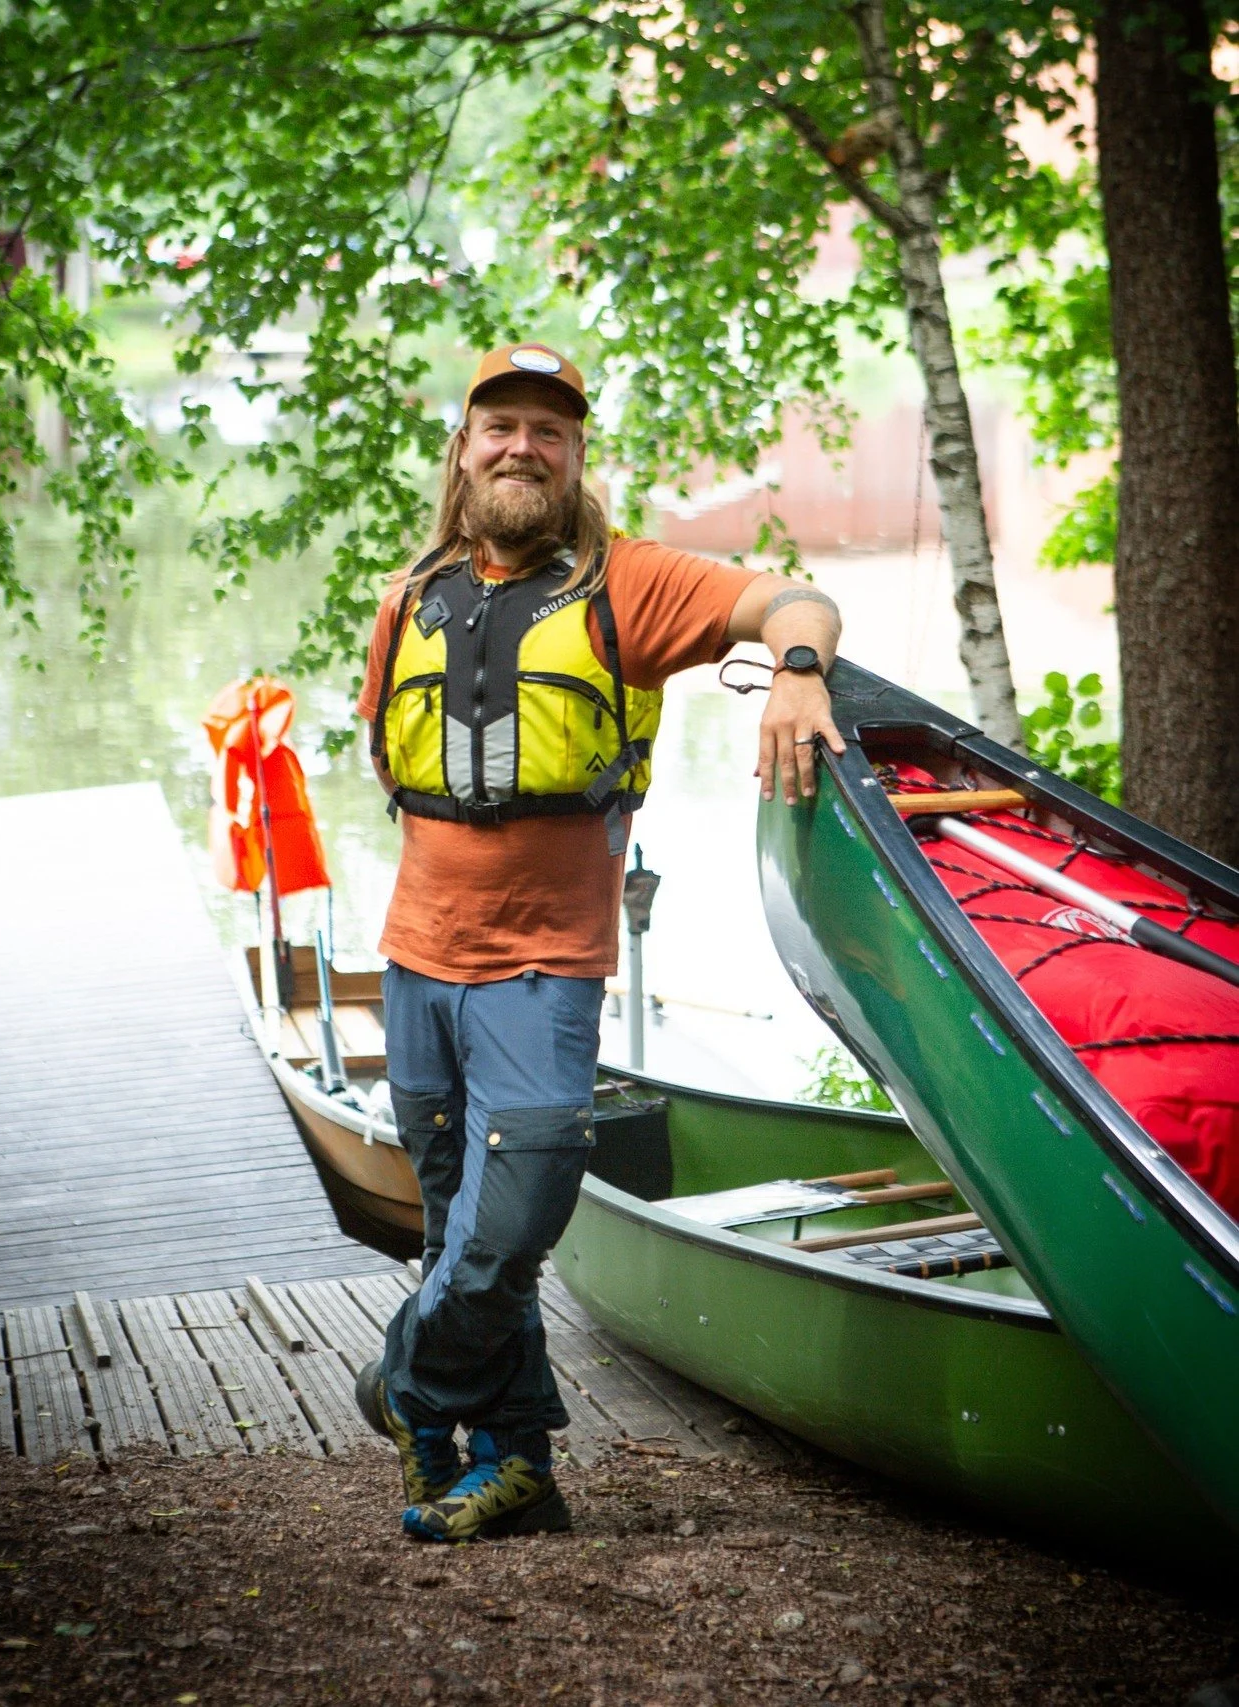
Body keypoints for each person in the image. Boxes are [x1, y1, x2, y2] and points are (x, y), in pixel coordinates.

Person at [353, 341, 844, 1543]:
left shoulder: (631, 584)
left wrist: (795, 673)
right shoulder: (408, 598)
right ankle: (514, 1467)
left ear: (575, 456)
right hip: (415, 962)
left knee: (509, 1225)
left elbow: (796, 599)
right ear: (464, 450)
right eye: (500, 427)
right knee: (462, 1233)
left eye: (549, 432)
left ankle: (405, 1384)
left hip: (543, 972)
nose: (521, 448)